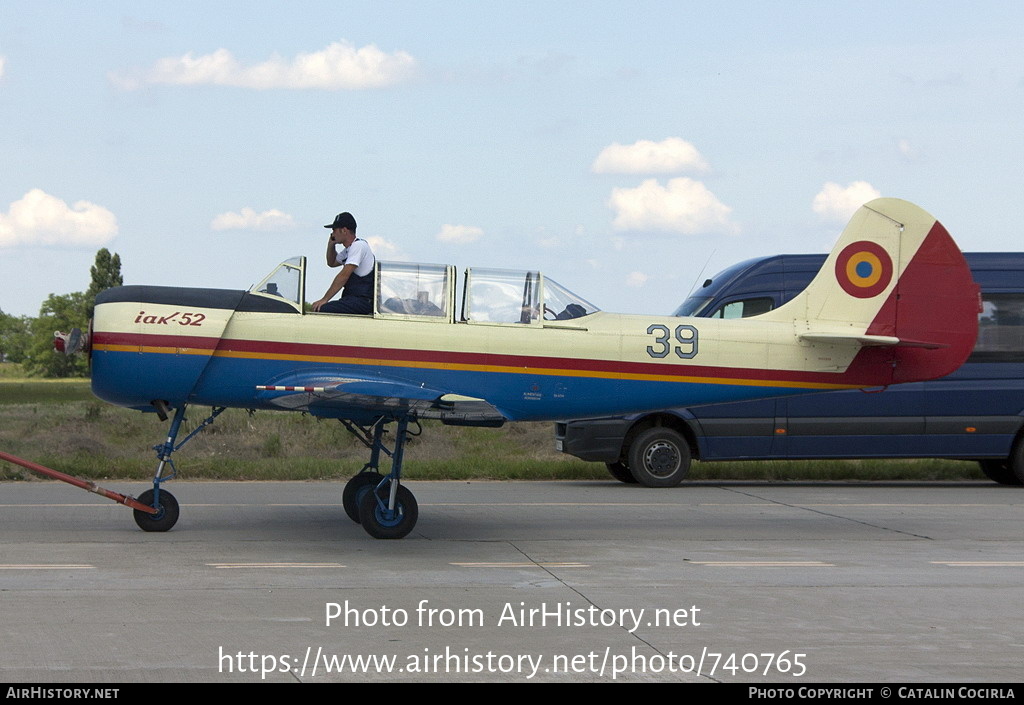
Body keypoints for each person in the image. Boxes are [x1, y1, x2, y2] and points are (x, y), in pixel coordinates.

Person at [312, 212, 375, 314]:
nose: (332, 233)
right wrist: (331, 244)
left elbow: (344, 275)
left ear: (344, 230)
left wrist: (325, 299)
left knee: (323, 309)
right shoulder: (348, 250)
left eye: (334, 230)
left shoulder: (359, 246)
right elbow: (331, 262)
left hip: (362, 301)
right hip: (352, 299)